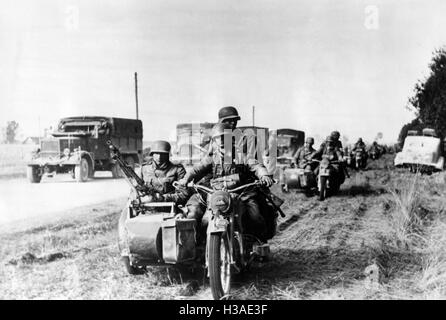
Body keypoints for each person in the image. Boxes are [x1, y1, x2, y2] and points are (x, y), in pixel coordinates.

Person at [178, 123, 274, 243]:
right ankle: (201, 245)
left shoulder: (241, 155)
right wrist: (185, 179)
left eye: (225, 137)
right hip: (217, 194)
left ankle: (258, 243)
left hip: (240, 194)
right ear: (214, 141)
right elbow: (196, 169)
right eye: (218, 138)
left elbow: (256, 165)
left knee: (255, 216)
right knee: (204, 220)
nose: (222, 140)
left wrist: (264, 175)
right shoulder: (212, 158)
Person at [138, 140, 190, 204]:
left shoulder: (178, 169)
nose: (159, 157)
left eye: (163, 154)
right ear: (152, 154)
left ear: (168, 155)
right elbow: (136, 191)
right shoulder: (144, 169)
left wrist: (163, 198)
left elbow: (184, 194)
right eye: (156, 153)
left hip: (170, 208)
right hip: (147, 207)